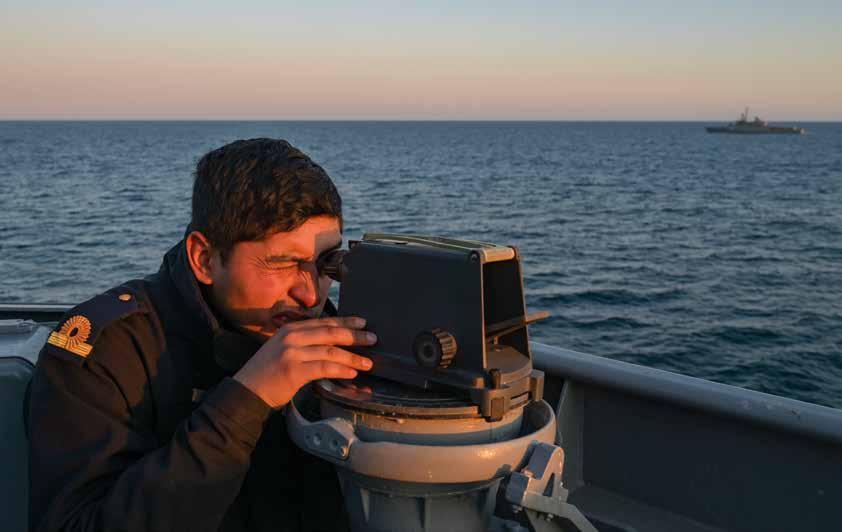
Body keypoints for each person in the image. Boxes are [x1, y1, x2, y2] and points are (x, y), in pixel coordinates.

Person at [27, 138, 375, 532]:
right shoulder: (107, 353)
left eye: (327, 263)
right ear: (204, 259)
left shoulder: (339, 340)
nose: (311, 295)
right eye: (281, 263)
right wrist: (246, 401)